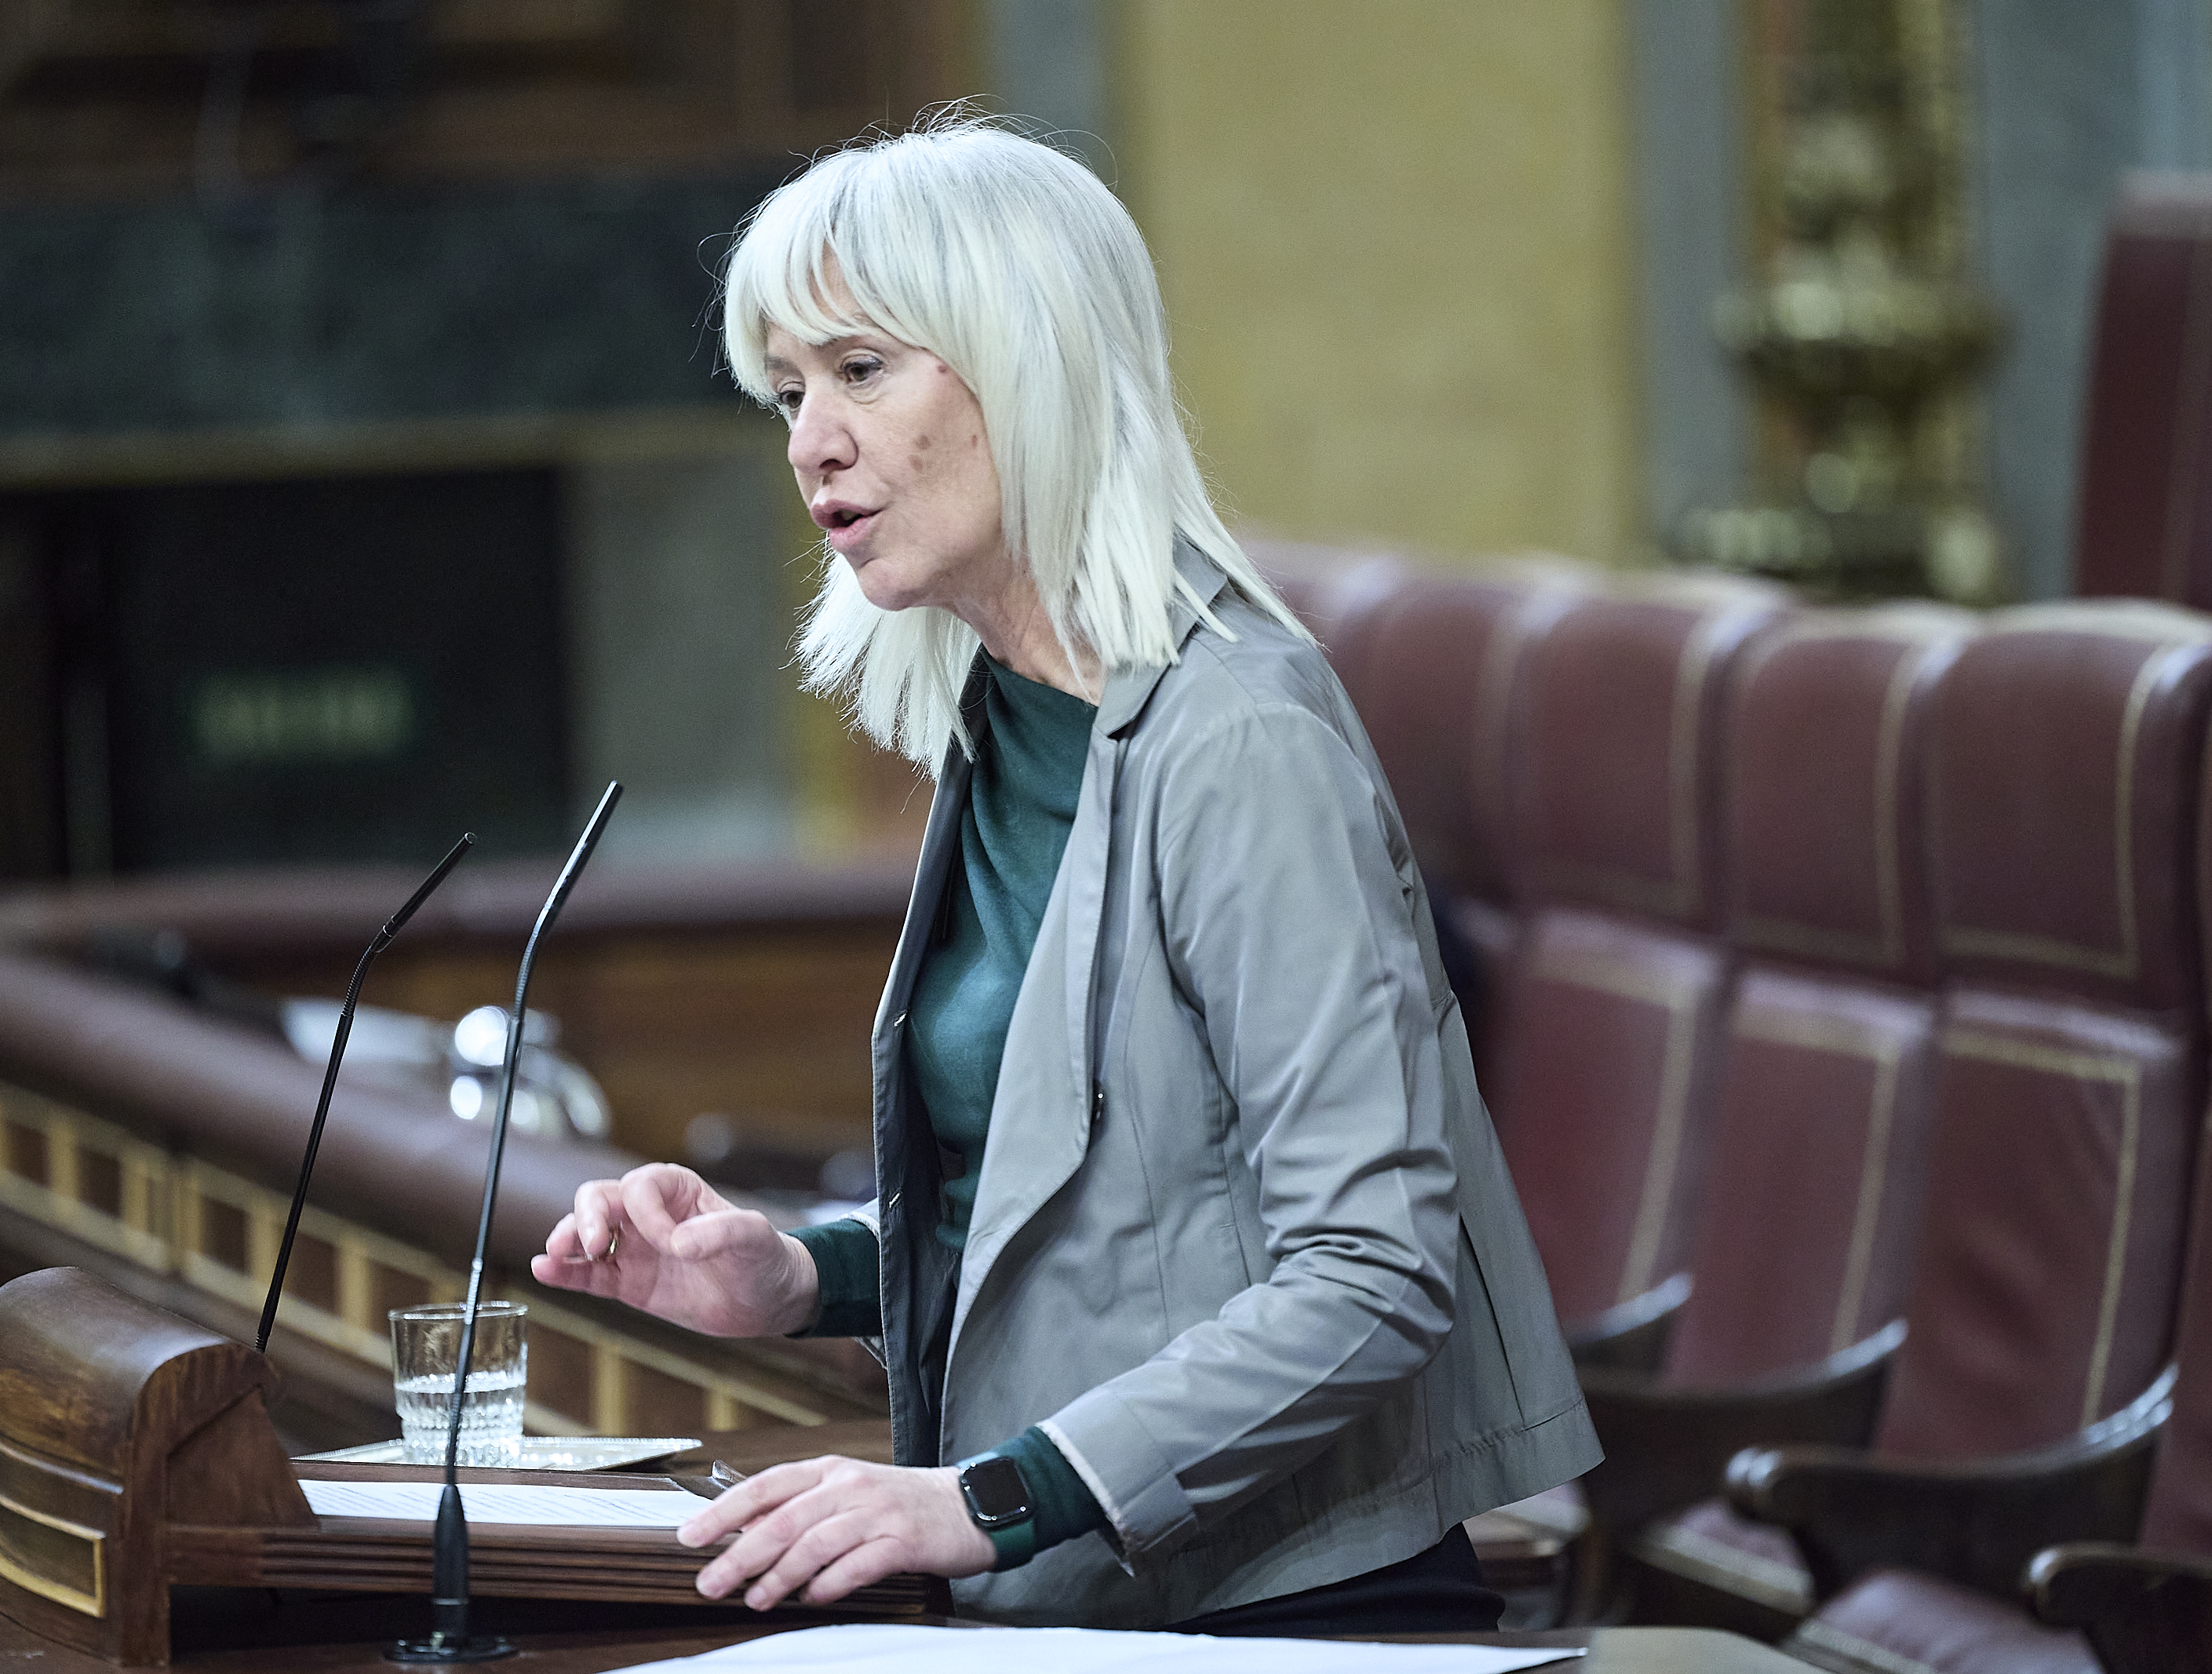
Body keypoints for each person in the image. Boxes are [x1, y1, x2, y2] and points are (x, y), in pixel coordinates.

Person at [531, 115, 1597, 1632]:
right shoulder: (1013, 720)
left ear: (1025, 362)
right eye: (787, 390)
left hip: (1284, 1610)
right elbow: (1087, 1209)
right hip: (1084, 1601)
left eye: (861, 369)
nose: (808, 441)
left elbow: (1371, 1272)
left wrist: (983, 1498)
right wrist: (795, 1275)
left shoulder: (1240, 738)